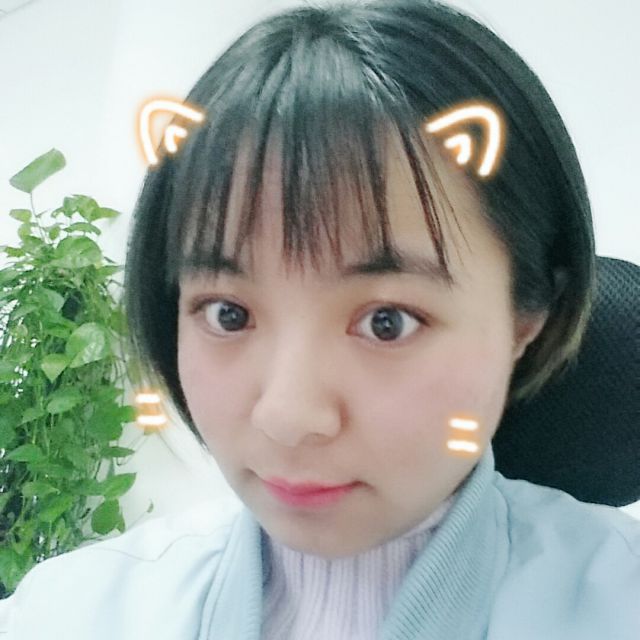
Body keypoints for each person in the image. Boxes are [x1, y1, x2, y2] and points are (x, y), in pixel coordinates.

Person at [2, 0, 639, 637]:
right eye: (228, 314)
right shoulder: (70, 612)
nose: (287, 417)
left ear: (526, 319)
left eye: (388, 321)